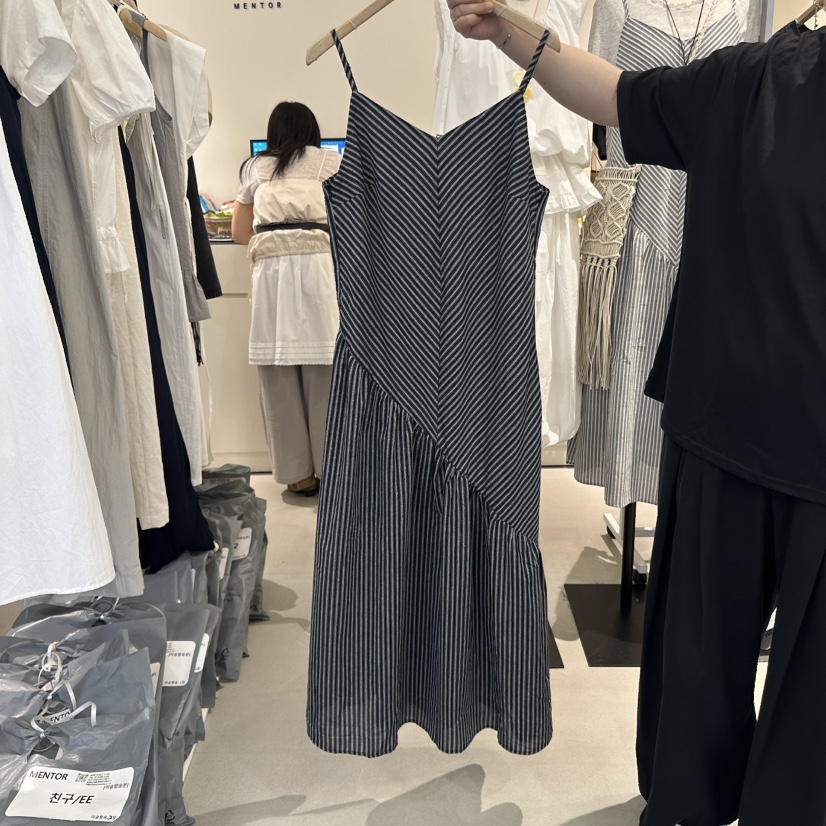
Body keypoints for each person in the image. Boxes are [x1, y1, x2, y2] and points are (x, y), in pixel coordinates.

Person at [450, 4, 826, 825]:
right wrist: (511, 30)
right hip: (728, 431)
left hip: (763, 438)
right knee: (701, 673)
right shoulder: (757, 79)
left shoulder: (755, 78)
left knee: (809, 714)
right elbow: (617, 95)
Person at [233, 102, 340, 497]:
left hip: (272, 273)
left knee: (277, 370)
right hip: (320, 269)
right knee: (326, 369)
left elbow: (240, 232)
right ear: (313, 132)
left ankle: (299, 476)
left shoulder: (254, 168)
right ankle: (335, 472)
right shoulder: (331, 162)